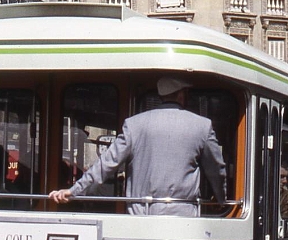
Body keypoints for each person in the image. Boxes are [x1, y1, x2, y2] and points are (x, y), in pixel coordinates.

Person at [49, 77, 227, 216]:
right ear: (181, 95)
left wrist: (74, 191)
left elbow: (106, 164)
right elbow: (216, 170)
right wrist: (221, 199)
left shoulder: (134, 124)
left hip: (140, 216)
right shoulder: (202, 126)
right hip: (183, 217)